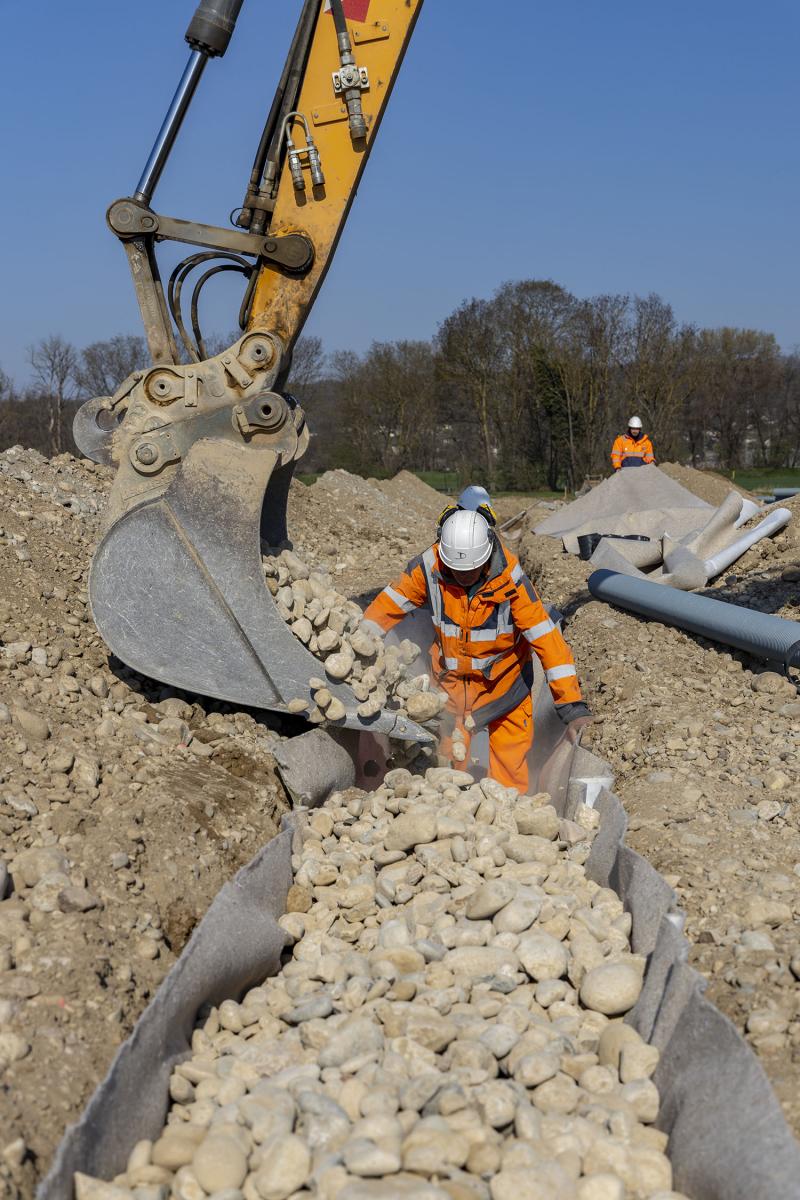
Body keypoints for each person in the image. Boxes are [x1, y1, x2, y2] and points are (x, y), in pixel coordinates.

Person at [363, 509, 591, 792]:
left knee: (509, 773)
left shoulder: (511, 580)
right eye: (457, 571)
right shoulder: (429, 566)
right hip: (450, 693)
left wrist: (571, 705)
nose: (464, 576)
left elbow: (546, 639)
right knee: (444, 768)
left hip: (506, 691)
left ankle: (508, 821)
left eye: (471, 570)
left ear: (485, 559)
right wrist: (358, 642)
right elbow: (389, 605)